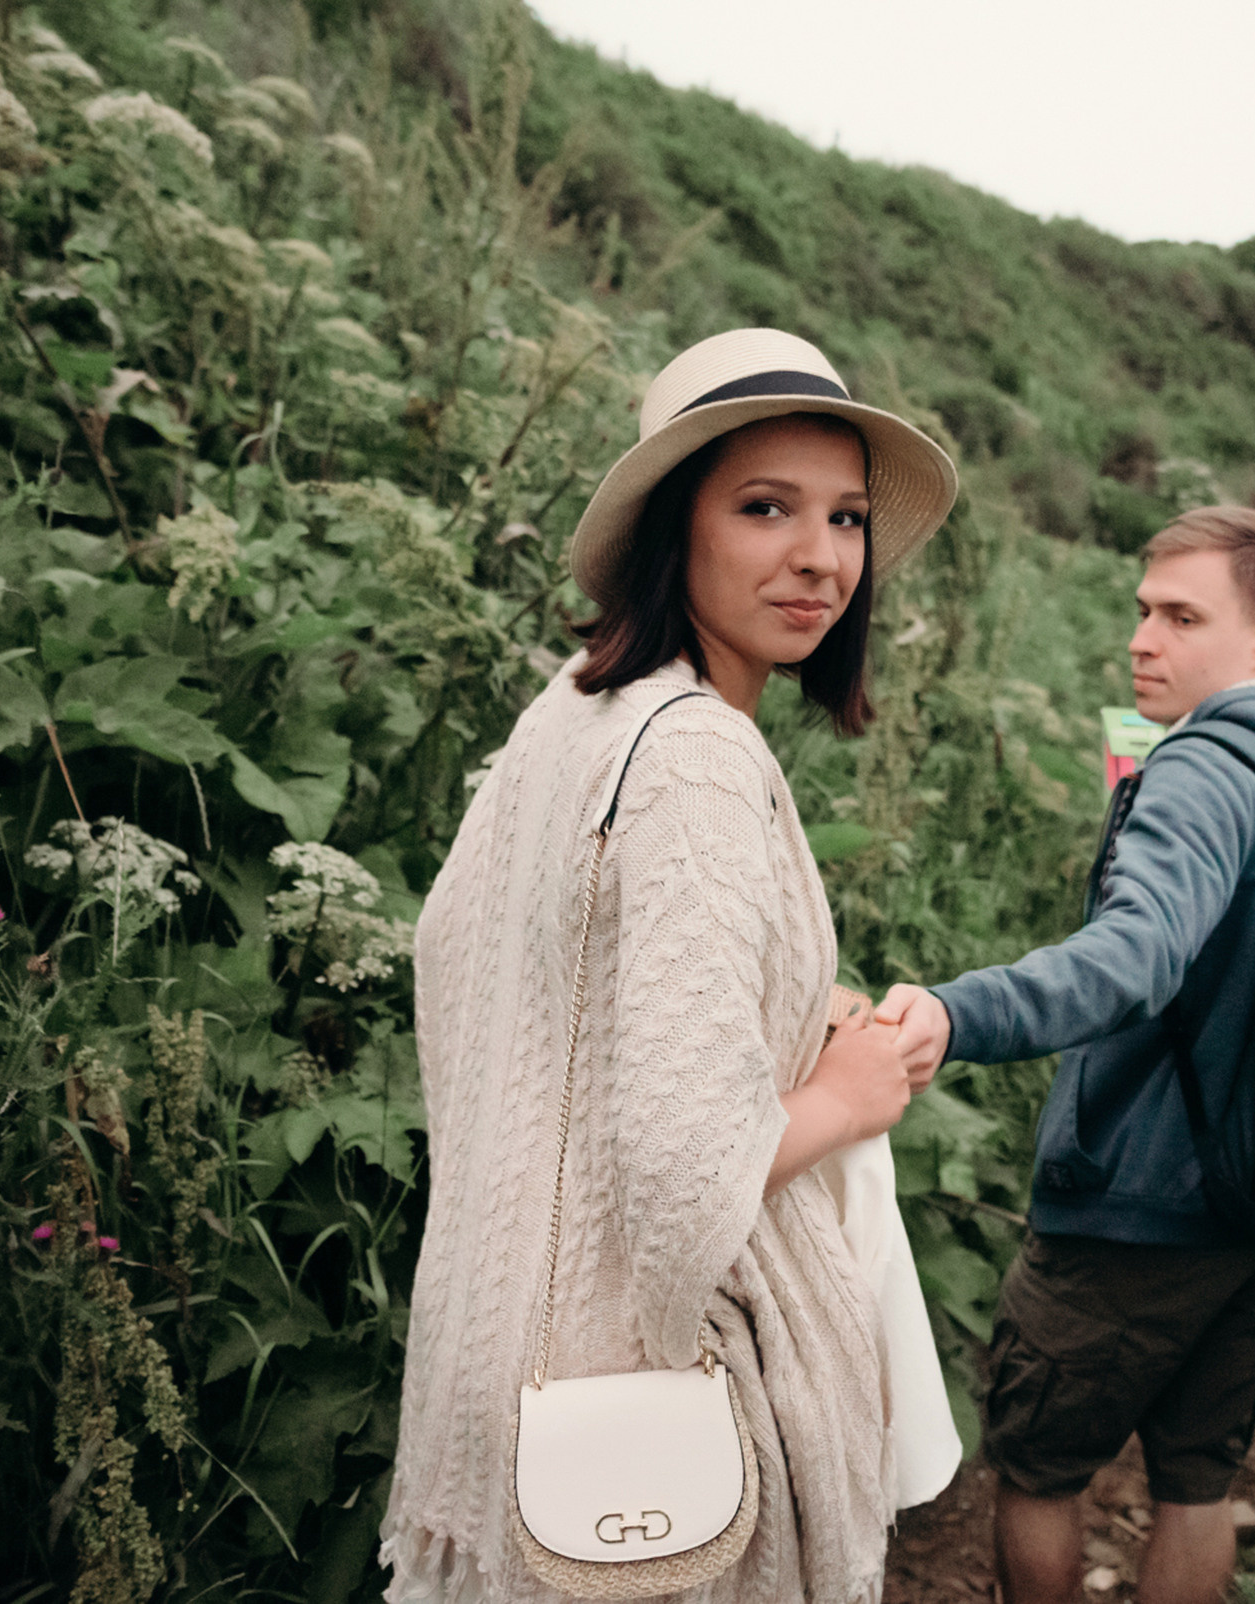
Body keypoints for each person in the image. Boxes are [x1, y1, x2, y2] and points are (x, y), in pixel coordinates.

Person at [382, 328, 961, 1603]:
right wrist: (850, 1093)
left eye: (848, 518)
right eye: (766, 507)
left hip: (497, 1355)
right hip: (646, 1398)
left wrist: (794, 1023)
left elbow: (510, 985)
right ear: (672, 525)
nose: (821, 556)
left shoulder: (572, 714)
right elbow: (689, 1172)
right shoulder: (695, 752)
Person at [877, 507, 1255, 1604]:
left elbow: (1136, 956)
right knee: (1197, 1483)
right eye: (1140, 611)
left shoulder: (1201, 771)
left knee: (1034, 1468)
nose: (1140, 639)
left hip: (1131, 1202)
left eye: (1179, 615)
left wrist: (955, 1011)